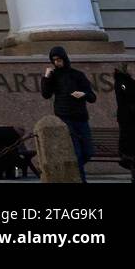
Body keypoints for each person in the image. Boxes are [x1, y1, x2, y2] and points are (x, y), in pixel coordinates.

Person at [40, 45, 97, 182]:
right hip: (64, 118)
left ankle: (70, 172)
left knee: (88, 152)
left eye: (59, 59)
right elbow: (46, 94)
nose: (57, 62)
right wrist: (46, 77)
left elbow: (92, 97)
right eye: (54, 60)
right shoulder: (54, 76)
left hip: (81, 118)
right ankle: (80, 180)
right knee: (76, 152)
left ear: (64, 58)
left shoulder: (77, 75)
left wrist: (83, 94)